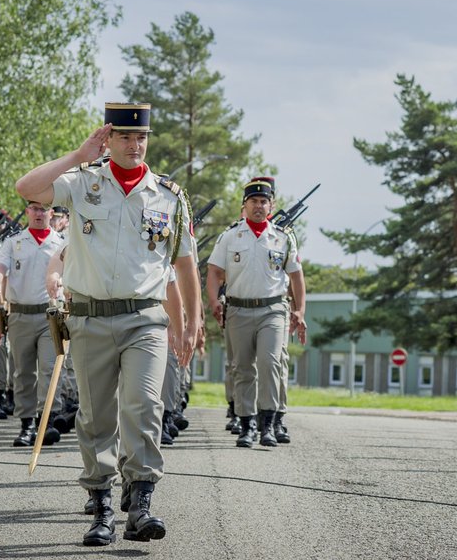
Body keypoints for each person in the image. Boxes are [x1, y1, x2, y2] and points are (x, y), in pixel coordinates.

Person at [16, 103, 201, 547]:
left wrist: (191, 322)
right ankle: (101, 506)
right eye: (123, 137)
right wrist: (77, 156)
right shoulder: (82, 183)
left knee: (144, 404)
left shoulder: (169, 196)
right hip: (91, 318)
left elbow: (185, 263)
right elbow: (27, 186)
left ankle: (140, 503)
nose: (134, 145)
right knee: (96, 415)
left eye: (141, 138)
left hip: (145, 319)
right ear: (108, 138)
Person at [207, 177, 307, 448]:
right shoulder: (230, 236)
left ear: (271, 205)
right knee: (242, 368)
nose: (259, 206)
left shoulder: (282, 238)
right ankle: (247, 424)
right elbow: (214, 271)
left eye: (264, 201)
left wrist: (299, 310)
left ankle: (268, 424)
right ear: (245, 205)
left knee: (270, 363)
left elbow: (296, 277)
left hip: (273, 310)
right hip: (238, 309)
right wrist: (215, 302)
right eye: (254, 201)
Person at [0, 200, 68, 448]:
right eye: (34, 208)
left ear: (51, 213)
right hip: (20, 315)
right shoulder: (14, 242)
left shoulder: (62, 242)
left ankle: (48, 421)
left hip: (50, 316)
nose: (39, 213)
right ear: (27, 212)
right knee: (23, 372)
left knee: (49, 369)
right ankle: (27, 425)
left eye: (44, 209)